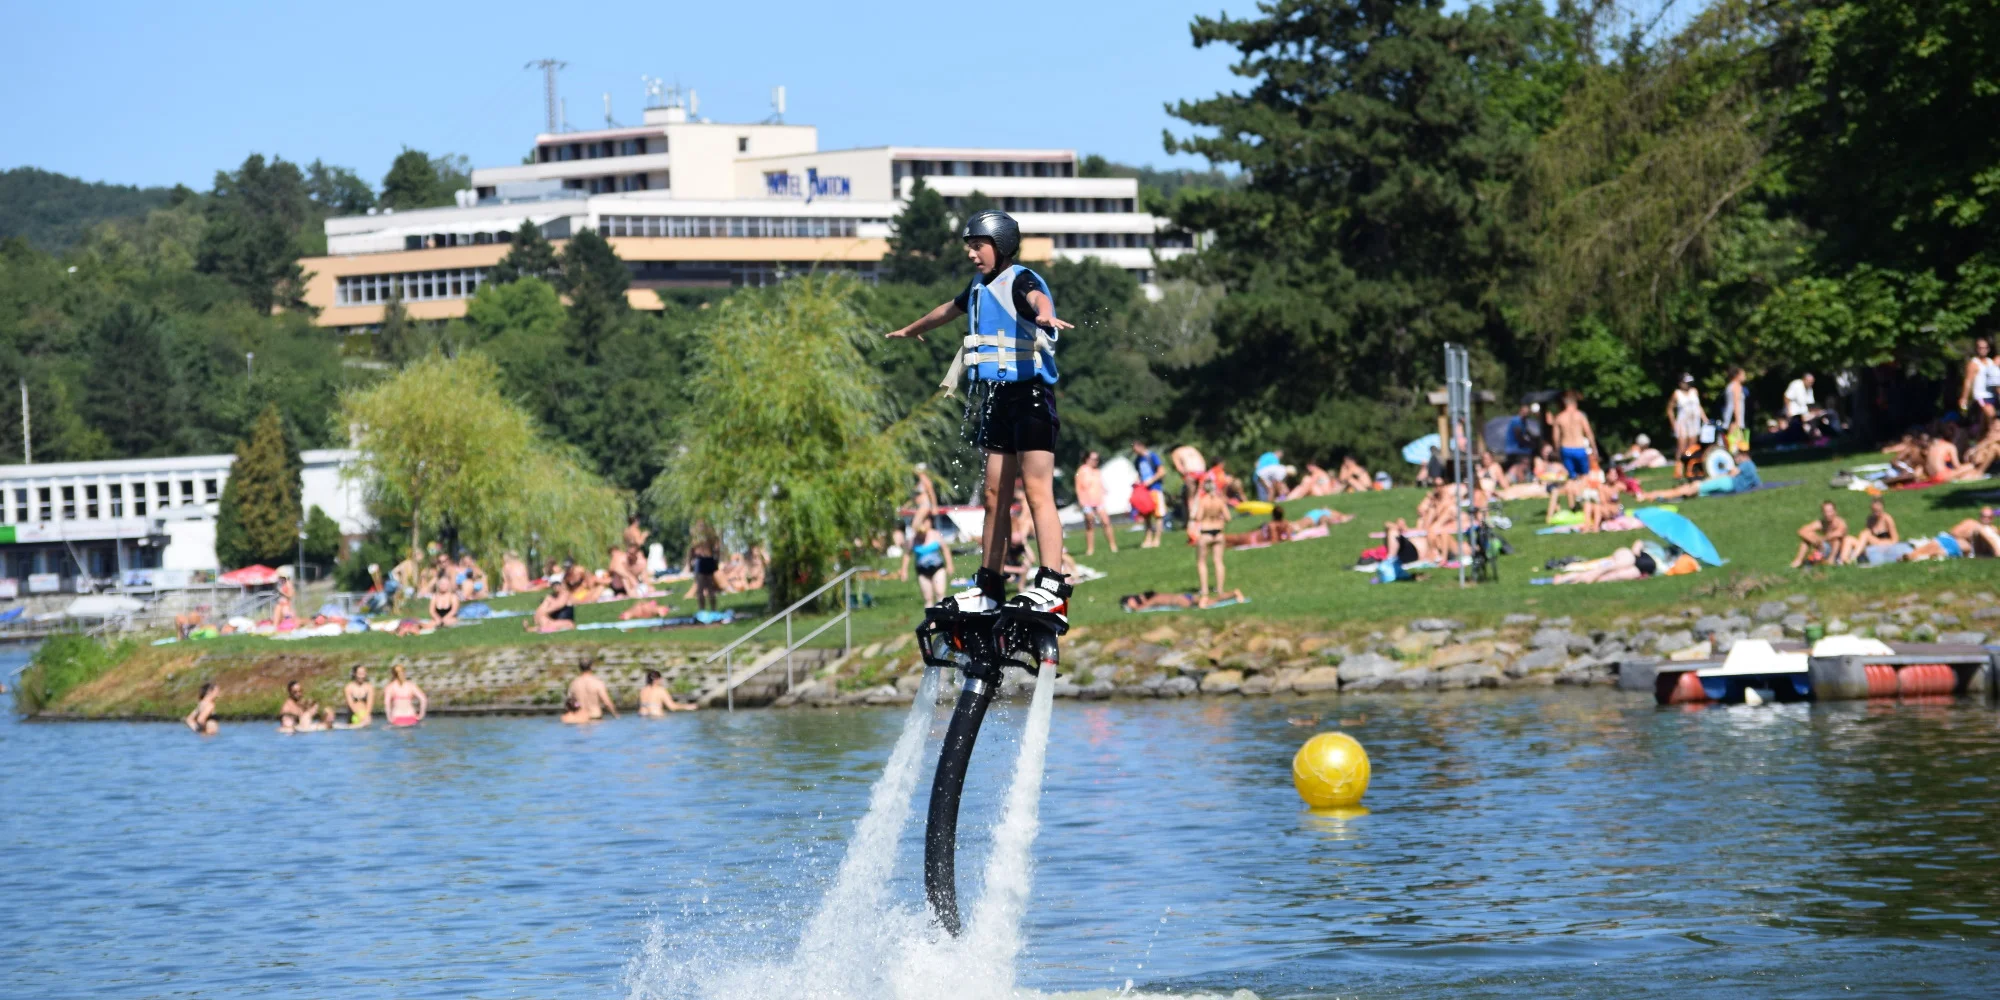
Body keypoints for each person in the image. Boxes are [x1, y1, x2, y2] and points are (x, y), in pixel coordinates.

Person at [886, 209, 1075, 629]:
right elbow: (947, 310)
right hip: (998, 399)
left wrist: (1043, 315)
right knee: (993, 496)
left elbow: (1036, 299)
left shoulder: (1021, 279)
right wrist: (911, 329)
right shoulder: (976, 287)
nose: (972, 254)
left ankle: (1052, 584)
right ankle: (989, 588)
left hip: (1030, 398)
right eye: (969, 247)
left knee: (1037, 493)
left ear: (1002, 246)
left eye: (979, 246)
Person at [1640, 448, 1760, 500]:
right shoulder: (1752, 466)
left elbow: (1731, 474)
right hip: (1729, 486)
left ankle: (1653, 495)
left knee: (1693, 487)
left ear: (1744, 455)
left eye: (1737, 455)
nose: (1736, 458)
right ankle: (1655, 495)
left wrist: (1711, 479)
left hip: (1728, 483)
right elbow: (1758, 483)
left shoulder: (1746, 464)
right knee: (1693, 489)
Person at [1189, 473, 1232, 599]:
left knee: (1201, 562)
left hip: (1206, 533)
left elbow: (1198, 517)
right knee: (1218, 561)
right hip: (1218, 533)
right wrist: (1219, 517)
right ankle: (1220, 589)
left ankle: (1204, 590)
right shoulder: (1219, 501)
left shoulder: (1203, 501)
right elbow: (1228, 517)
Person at [1552, 540, 1662, 584]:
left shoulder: (1671, 565)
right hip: (1630, 556)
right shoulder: (1658, 549)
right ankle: (1567, 577)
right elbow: (1639, 543)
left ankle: (1573, 580)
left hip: (1639, 569)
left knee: (1614, 576)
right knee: (1621, 563)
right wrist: (1637, 550)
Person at [1073, 451, 1118, 557]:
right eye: (1094, 459)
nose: (1096, 461)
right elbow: (1078, 487)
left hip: (1099, 501)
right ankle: (1090, 549)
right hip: (1087, 502)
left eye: (1097, 459)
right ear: (1087, 459)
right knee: (1090, 525)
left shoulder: (1097, 471)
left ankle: (1113, 545)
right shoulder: (1081, 471)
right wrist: (1081, 502)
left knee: (1106, 522)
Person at [1551, 390, 1598, 479]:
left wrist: (1557, 451)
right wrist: (1594, 449)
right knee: (1584, 475)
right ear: (1575, 403)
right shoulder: (1580, 416)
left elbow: (1555, 437)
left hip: (1566, 448)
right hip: (1580, 447)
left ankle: (1572, 490)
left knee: (1572, 475)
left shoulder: (1559, 417)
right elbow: (1589, 433)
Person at [1669, 374, 1707, 479]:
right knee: (1681, 447)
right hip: (1682, 422)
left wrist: (1705, 419)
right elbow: (1670, 410)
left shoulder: (1694, 391)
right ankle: (1678, 470)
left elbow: (1698, 407)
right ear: (1681, 383)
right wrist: (1673, 423)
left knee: (1692, 447)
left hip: (1694, 422)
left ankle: (1690, 469)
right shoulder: (1677, 394)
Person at [1130, 441, 1166, 548]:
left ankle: (1157, 539)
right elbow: (1139, 474)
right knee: (1146, 515)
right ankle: (1148, 538)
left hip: (1155, 488)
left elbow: (1161, 471)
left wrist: (1150, 481)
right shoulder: (1137, 460)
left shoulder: (1152, 456)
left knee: (1158, 515)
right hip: (1144, 491)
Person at [1841, 497, 1899, 565]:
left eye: (1878, 510)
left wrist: (1880, 542)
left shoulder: (1887, 519)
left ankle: (1853, 558)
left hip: (1883, 545)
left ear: (1882, 508)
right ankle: (1843, 560)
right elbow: (1865, 539)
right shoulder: (1870, 519)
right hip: (1871, 545)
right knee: (1848, 539)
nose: (1876, 513)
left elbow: (1895, 540)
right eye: (1874, 510)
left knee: (1865, 533)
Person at [1792, 500, 1849, 568]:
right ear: (1823, 513)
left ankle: (1831, 560)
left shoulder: (1840, 522)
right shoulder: (1822, 523)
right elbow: (1801, 531)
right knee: (1805, 540)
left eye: (1830, 511)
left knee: (1836, 539)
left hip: (1839, 552)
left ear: (1835, 511)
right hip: (1824, 547)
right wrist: (1814, 539)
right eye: (1825, 511)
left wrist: (1821, 539)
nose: (1828, 514)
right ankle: (1798, 561)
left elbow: (1839, 533)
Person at [912, 520, 954, 606]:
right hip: (922, 570)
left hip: (937, 567)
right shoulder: (914, 539)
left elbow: (945, 549)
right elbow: (907, 554)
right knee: (928, 598)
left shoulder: (935, 535)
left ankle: (943, 616)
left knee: (940, 593)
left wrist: (949, 564)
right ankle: (930, 618)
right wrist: (904, 570)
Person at [1120, 588, 1247, 611]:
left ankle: (1201, 601)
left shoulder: (1154, 599)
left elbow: (1142, 607)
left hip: (1180, 600)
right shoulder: (1159, 595)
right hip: (1184, 595)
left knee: (1194, 603)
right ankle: (1233, 594)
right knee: (1213, 601)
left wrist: (1133, 607)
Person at [689, 524, 721, 612]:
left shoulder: (703, 536)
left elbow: (692, 550)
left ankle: (707, 610)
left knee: (705, 588)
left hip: (705, 561)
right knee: (705, 588)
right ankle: (706, 610)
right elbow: (716, 550)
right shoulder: (710, 535)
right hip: (706, 561)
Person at [1720, 367, 1751, 454]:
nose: (1744, 376)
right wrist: (1738, 421)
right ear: (1737, 375)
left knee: (1732, 440)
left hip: (1730, 417)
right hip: (1734, 418)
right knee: (1734, 442)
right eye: (1743, 374)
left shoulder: (1730, 386)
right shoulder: (1736, 386)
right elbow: (1736, 404)